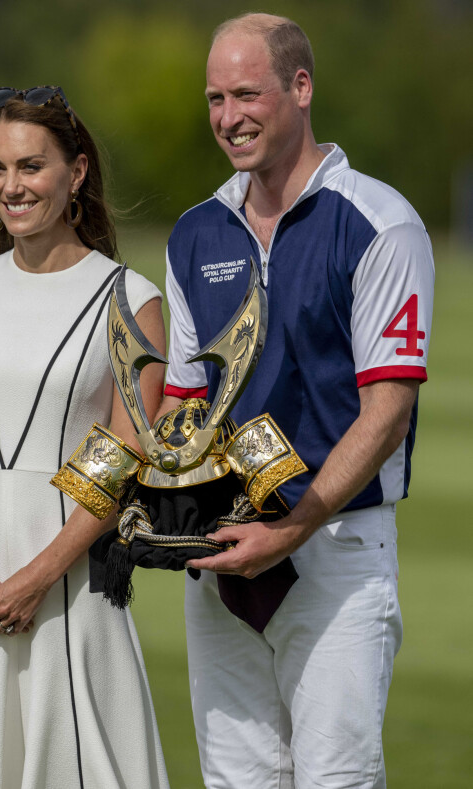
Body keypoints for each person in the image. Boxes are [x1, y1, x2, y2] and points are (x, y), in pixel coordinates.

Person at [160, 14, 434, 789]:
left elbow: (388, 412)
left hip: (336, 546)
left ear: (301, 88)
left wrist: (292, 525)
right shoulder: (195, 232)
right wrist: (159, 506)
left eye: (247, 92)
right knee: (237, 781)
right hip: (225, 557)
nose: (227, 116)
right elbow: (187, 400)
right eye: (214, 97)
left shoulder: (380, 222)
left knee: (336, 781)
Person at [0, 86, 169, 789]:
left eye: (29, 167)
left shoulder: (132, 300)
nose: (10, 187)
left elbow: (125, 459)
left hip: (70, 589)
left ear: (75, 173)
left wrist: (39, 578)